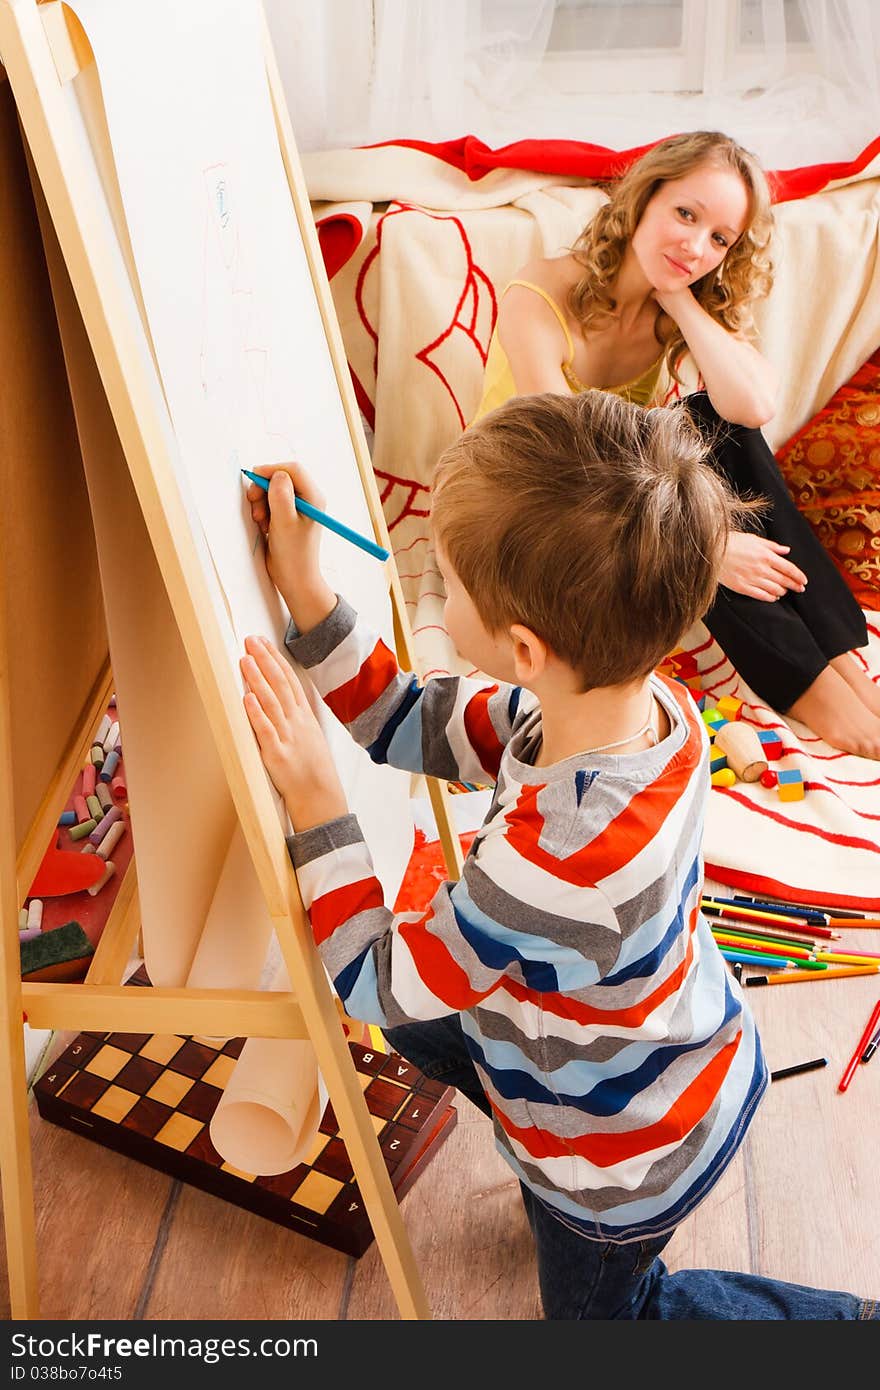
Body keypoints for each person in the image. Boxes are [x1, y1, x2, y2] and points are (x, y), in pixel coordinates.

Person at [239, 392, 875, 1320]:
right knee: (426, 1019)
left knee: (608, 1325)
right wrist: (308, 596)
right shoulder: (621, 708)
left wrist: (316, 802)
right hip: (652, 1052)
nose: (438, 594)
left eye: (447, 584)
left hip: (619, 1160)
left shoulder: (555, 860)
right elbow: (416, 720)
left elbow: (376, 982)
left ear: (525, 648)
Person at [474, 130, 880, 759]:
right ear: (643, 199)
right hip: (527, 500)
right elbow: (569, 460)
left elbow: (752, 407)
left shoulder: (672, 305)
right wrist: (705, 540)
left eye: (719, 238)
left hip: (609, 490)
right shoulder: (540, 292)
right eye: (685, 215)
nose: (695, 246)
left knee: (716, 426)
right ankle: (815, 691)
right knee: (682, 491)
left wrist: (679, 300)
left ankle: (838, 661)